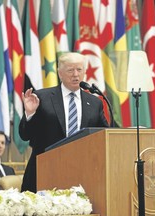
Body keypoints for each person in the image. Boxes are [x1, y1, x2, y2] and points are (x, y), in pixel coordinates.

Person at [19, 52, 109, 192]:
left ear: (84, 72)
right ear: (60, 73)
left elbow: (104, 135)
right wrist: (29, 114)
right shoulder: (42, 97)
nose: (75, 74)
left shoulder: (94, 102)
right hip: (46, 170)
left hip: (83, 173)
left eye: (79, 70)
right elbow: (25, 135)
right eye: (70, 70)